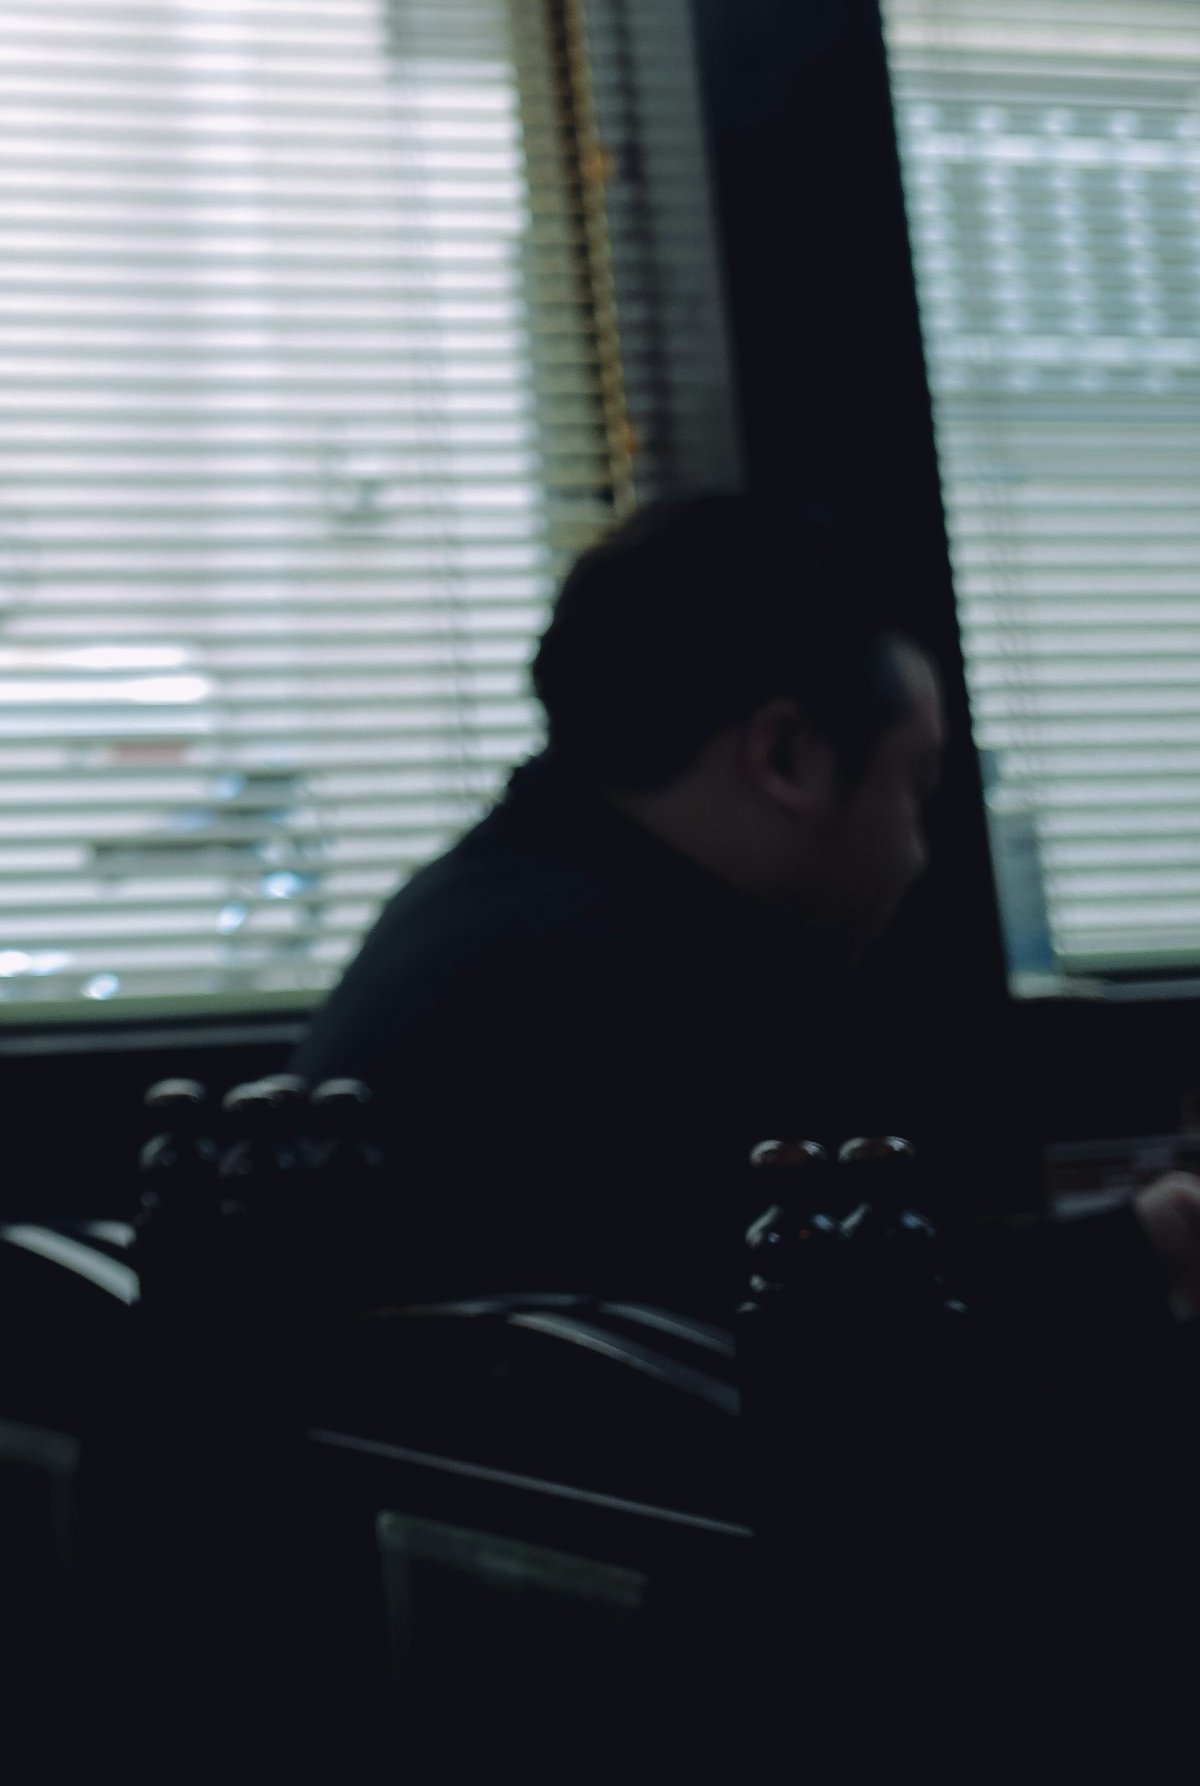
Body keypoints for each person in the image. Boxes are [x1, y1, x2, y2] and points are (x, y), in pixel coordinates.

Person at [305, 492, 1200, 1323]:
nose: (920, 852)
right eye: (914, 785)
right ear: (788, 760)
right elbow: (828, 1347)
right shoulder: (618, 991)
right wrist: (1142, 1247)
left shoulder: (488, 907)